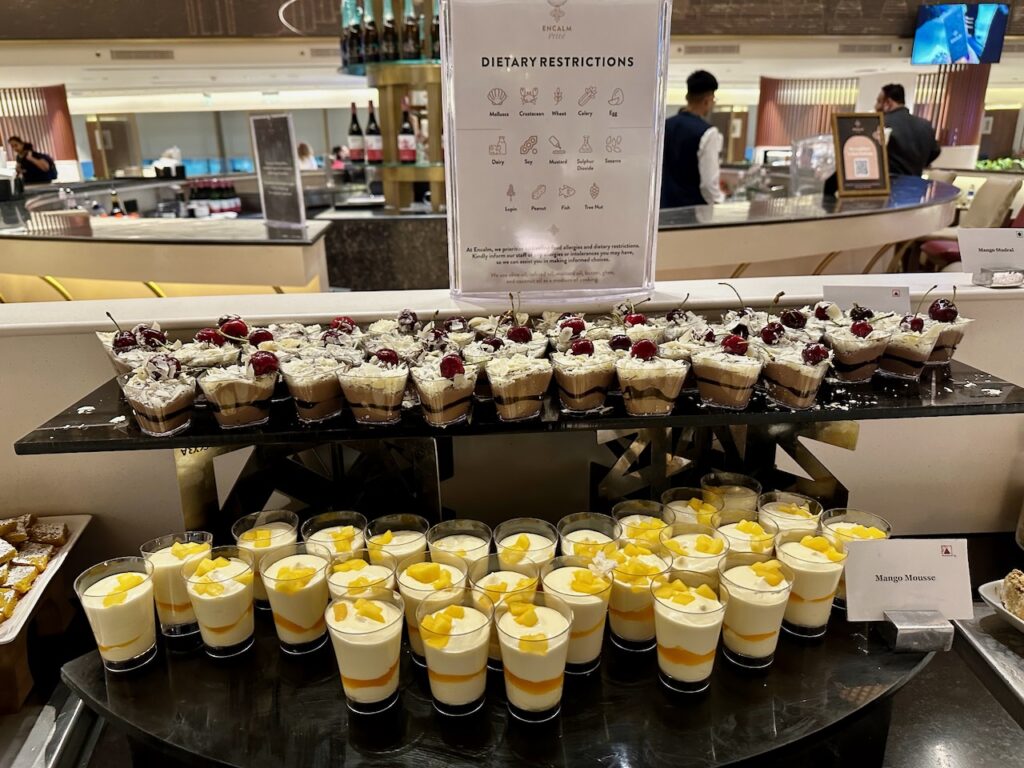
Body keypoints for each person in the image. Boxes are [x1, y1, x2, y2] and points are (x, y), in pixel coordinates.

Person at [660, 70, 724, 208]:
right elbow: (708, 184)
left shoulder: (663, 126)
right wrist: (720, 204)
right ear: (707, 100)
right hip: (692, 214)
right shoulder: (708, 133)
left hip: (662, 209)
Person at [874, 84, 941, 177]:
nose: (876, 106)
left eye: (879, 101)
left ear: (888, 103)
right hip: (917, 186)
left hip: (889, 185)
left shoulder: (881, 123)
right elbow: (935, 151)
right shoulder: (925, 125)